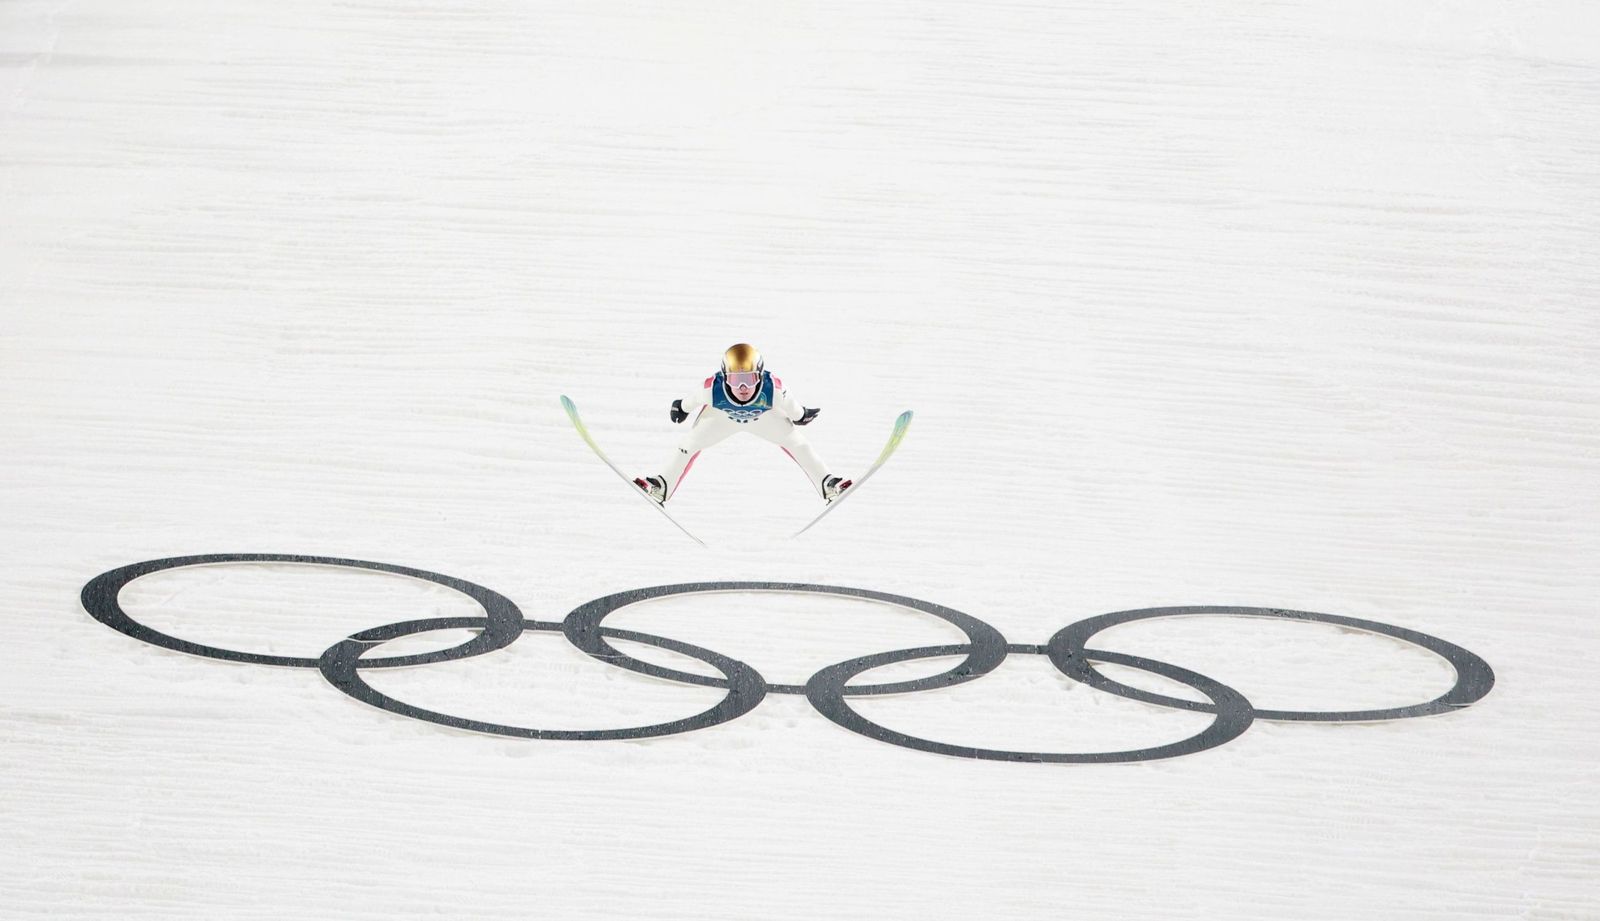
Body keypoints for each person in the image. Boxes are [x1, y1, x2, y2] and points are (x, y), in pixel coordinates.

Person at [634, 343, 852, 505]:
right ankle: (661, 486)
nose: (743, 387)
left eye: (749, 379)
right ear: (724, 377)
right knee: (686, 445)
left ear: (760, 375)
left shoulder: (773, 388)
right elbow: (692, 400)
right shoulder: (712, 388)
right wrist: (681, 407)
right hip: (721, 418)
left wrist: (801, 415)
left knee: (800, 445)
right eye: (736, 380)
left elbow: (793, 407)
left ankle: (828, 483)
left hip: (764, 418)